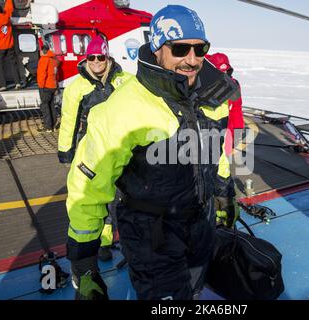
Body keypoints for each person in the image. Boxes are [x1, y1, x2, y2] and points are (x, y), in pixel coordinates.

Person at [64, 5, 240, 300]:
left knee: (193, 292)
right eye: (181, 49)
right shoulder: (124, 108)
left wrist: (224, 191)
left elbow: (215, 149)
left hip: (201, 225)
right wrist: (83, 262)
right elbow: (88, 187)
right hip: (152, 236)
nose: (192, 60)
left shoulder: (210, 96)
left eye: (200, 49)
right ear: (157, 49)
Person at [58, 35, 132, 262]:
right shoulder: (76, 88)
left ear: (107, 56)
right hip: (90, 149)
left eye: (101, 57)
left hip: (120, 147)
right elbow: (69, 119)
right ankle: (98, 241)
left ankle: (113, 239)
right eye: (92, 58)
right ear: (86, 59)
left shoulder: (126, 81)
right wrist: (66, 150)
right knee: (94, 196)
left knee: (120, 196)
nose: (97, 62)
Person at [206, 53, 245, 155]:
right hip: (205, 133)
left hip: (226, 134)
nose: (223, 74)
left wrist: (237, 131)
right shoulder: (203, 86)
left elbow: (236, 110)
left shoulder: (234, 87)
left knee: (223, 163)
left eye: (226, 71)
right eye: (220, 71)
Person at [0, 0, 24, 91]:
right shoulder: (6, 17)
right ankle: (18, 83)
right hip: (9, 45)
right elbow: (9, 8)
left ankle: (2, 85)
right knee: (13, 64)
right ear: (1, 10)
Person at [37, 44, 59, 132]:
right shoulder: (53, 60)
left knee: (45, 106)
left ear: (43, 51)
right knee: (51, 105)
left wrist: (41, 86)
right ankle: (53, 125)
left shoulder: (44, 59)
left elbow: (42, 74)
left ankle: (48, 127)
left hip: (46, 86)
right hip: (53, 85)